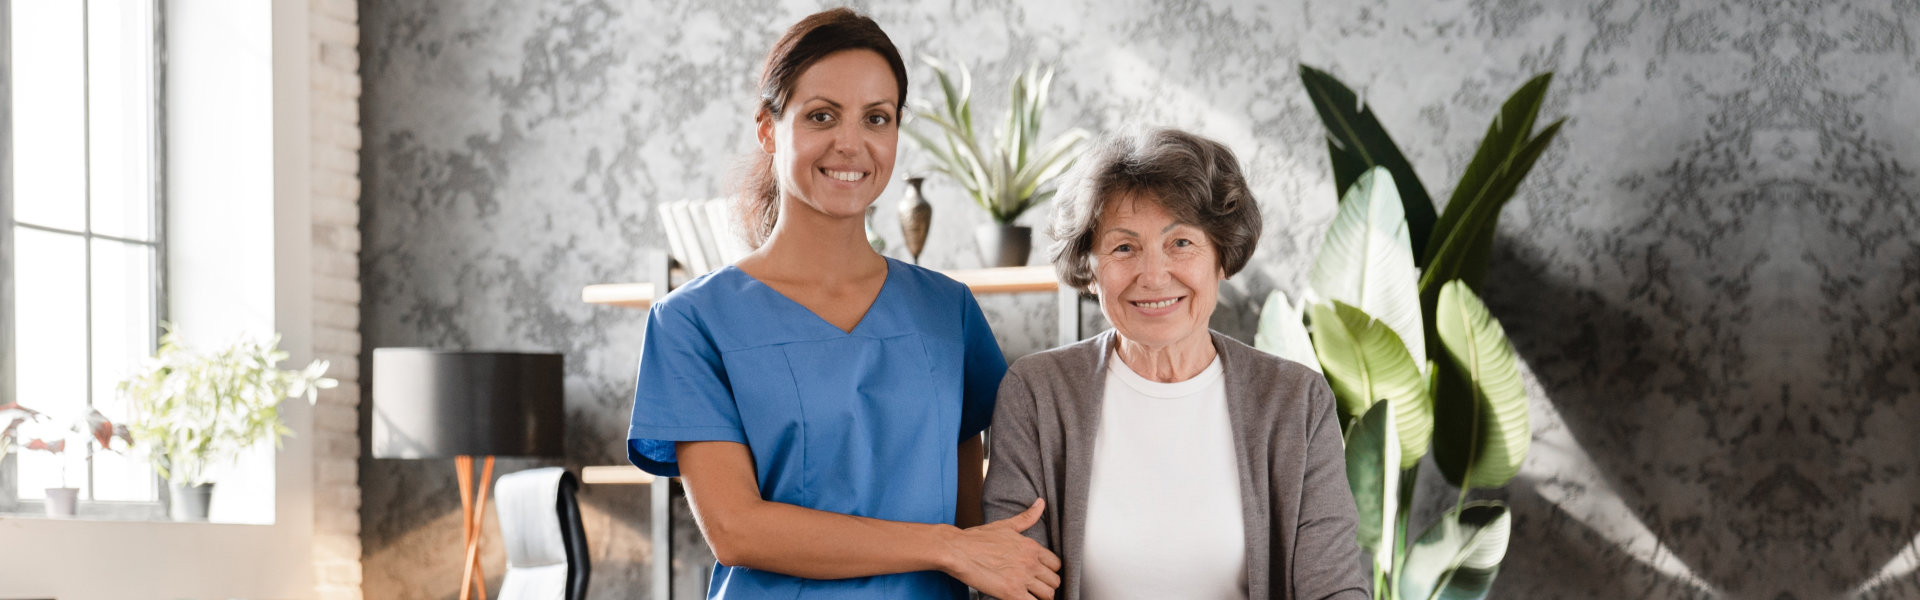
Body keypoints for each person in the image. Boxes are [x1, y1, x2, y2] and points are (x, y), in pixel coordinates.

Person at [626, 8, 1059, 600]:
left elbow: (968, 519)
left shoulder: (947, 312)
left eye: (876, 118)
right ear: (768, 128)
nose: (850, 144)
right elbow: (735, 530)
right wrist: (943, 547)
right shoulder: (693, 322)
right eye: (821, 116)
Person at [982, 128, 1371, 599]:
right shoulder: (1037, 394)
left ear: (1222, 256)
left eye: (1180, 243)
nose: (1153, 276)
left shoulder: (1296, 401)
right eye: (1123, 247)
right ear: (1090, 268)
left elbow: (1333, 589)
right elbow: (1010, 586)